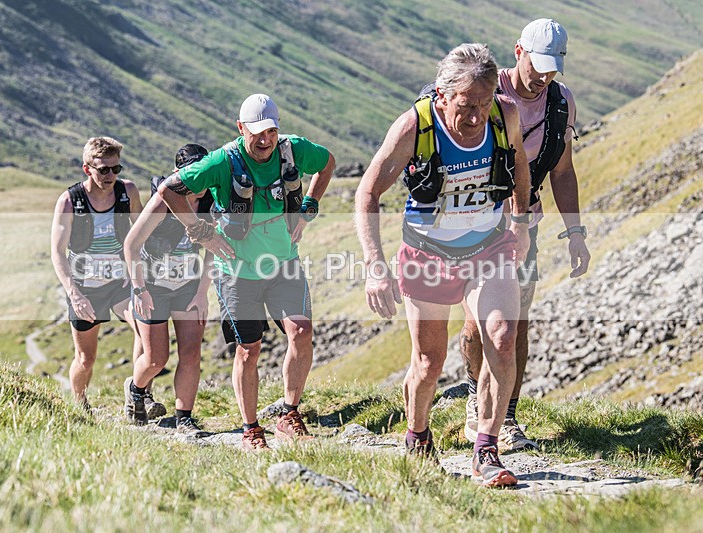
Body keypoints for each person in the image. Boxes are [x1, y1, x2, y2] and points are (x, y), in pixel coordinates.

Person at [355, 44, 531, 487]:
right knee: (428, 362)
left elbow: (520, 166)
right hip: (427, 254)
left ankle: (486, 451)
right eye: (465, 105)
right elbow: (368, 195)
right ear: (442, 94)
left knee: (503, 337)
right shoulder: (415, 126)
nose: (475, 116)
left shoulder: (503, 115)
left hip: (488, 248)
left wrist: (522, 221)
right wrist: (375, 265)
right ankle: (417, 435)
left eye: (483, 103)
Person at [159, 93, 335, 450]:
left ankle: (289, 414)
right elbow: (170, 191)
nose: (265, 139)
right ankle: (251, 429)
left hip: (284, 262)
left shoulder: (292, 149)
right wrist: (202, 233)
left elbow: (328, 163)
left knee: (301, 332)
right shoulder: (222, 161)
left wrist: (307, 207)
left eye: (270, 130)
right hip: (236, 272)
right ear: (241, 129)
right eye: (256, 132)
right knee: (248, 349)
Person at [461, 19, 591, 451]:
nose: (543, 76)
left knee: (515, 325)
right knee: (474, 325)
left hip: (524, 227)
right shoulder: (486, 91)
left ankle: (506, 415)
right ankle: (472, 401)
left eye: (553, 68)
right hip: (471, 224)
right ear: (518, 52)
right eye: (537, 65)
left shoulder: (560, 102)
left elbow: (563, 170)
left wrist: (575, 232)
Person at [122, 143, 216, 432]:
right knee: (155, 359)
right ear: (178, 173)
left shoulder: (212, 201)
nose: (198, 180)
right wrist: (139, 289)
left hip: (188, 285)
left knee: (191, 353)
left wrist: (202, 292)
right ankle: (136, 390)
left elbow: (213, 249)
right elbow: (131, 245)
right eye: (191, 173)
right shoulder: (163, 201)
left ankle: (184, 418)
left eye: (203, 172)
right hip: (152, 286)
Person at [50, 136, 143, 409]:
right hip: (85, 288)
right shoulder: (69, 201)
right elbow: (57, 252)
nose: (110, 175)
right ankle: (79, 403)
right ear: (87, 168)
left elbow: (141, 232)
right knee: (85, 359)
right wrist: (74, 294)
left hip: (120, 284)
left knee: (147, 330)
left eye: (116, 169)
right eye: (104, 170)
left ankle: (138, 393)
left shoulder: (128, 192)